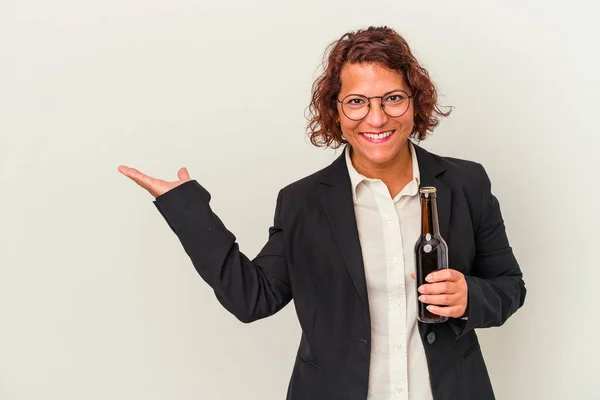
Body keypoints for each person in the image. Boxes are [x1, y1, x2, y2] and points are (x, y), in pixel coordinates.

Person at [118, 26, 526, 400]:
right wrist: (186, 210)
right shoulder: (303, 202)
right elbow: (252, 299)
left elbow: (510, 287)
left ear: (415, 102)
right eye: (357, 102)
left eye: (393, 98)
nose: (377, 117)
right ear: (335, 110)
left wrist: (471, 295)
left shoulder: (467, 183)